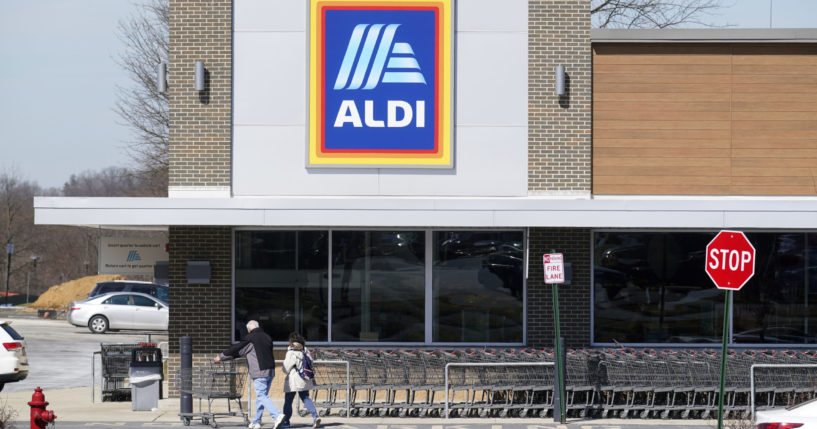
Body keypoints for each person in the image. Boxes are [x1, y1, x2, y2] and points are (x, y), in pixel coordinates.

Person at [215, 320, 285, 429]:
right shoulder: (267, 337)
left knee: (262, 396)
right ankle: (256, 422)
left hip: (259, 371)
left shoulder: (251, 338)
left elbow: (237, 349)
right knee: (261, 397)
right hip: (270, 371)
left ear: (249, 329)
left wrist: (221, 357)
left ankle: (277, 415)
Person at [281, 332, 321, 428]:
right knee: (306, 398)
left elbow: (285, 369)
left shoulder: (291, 352)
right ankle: (316, 417)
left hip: (293, 380)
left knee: (288, 401)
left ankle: (286, 422)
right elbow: (310, 362)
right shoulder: (305, 351)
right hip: (305, 379)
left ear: (291, 342)